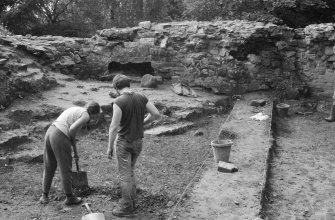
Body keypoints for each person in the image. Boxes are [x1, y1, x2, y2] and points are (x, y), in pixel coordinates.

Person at [107, 74, 160, 217]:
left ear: (116, 88)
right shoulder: (141, 97)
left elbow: (113, 127)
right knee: (130, 171)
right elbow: (156, 114)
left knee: (124, 175)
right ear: (128, 84)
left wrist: (110, 146)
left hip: (124, 142)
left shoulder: (119, 101)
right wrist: (142, 123)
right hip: (138, 142)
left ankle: (126, 207)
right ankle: (132, 200)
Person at [39, 101, 101, 205]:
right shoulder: (85, 116)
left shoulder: (76, 110)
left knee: (49, 167)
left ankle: (44, 196)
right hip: (60, 136)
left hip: (50, 132)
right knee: (65, 169)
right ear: (94, 113)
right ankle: (70, 197)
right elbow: (72, 130)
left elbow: (72, 135)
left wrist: (75, 152)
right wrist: (71, 143)